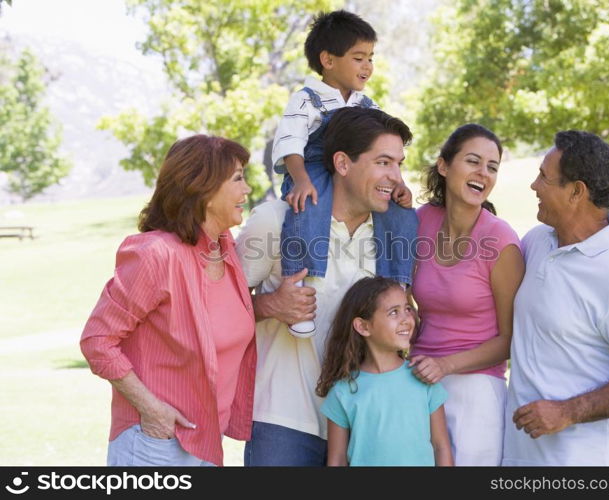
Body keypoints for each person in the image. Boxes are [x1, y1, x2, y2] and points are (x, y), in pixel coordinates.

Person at [236, 107, 416, 466]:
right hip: (283, 422)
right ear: (343, 163)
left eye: (399, 164)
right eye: (383, 162)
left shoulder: (396, 239)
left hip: (362, 423)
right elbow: (214, 308)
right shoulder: (276, 222)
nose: (396, 178)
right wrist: (271, 305)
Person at [80, 135, 256, 466]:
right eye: (237, 179)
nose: (246, 189)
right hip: (156, 443)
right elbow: (97, 341)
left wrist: (273, 304)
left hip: (207, 442)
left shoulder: (225, 248)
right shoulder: (155, 255)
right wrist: (152, 410)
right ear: (203, 188)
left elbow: (213, 324)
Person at [502, 130, 609, 466]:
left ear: (577, 191)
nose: (534, 186)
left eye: (544, 178)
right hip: (519, 458)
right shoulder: (537, 241)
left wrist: (568, 411)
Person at [272, 10, 417, 336]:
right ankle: (301, 288)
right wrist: (301, 181)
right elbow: (291, 143)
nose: (368, 66)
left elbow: (387, 149)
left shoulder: (368, 105)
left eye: (370, 58)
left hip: (353, 173)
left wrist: (399, 183)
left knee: (404, 215)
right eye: (358, 58)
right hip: (311, 167)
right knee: (309, 206)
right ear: (328, 59)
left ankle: (397, 286)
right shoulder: (306, 99)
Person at [409, 124, 525, 465]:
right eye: (473, 161)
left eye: (492, 167)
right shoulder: (420, 222)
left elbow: (511, 338)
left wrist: (445, 365)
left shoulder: (501, 240)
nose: (483, 173)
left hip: (476, 392)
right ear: (444, 166)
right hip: (417, 384)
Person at [317, 277, 453, 466]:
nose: (407, 319)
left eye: (407, 309)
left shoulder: (423, 377)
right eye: (394, 312)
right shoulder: (342, 391)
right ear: (363, 326)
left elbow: (441, 447)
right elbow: (337, 460)